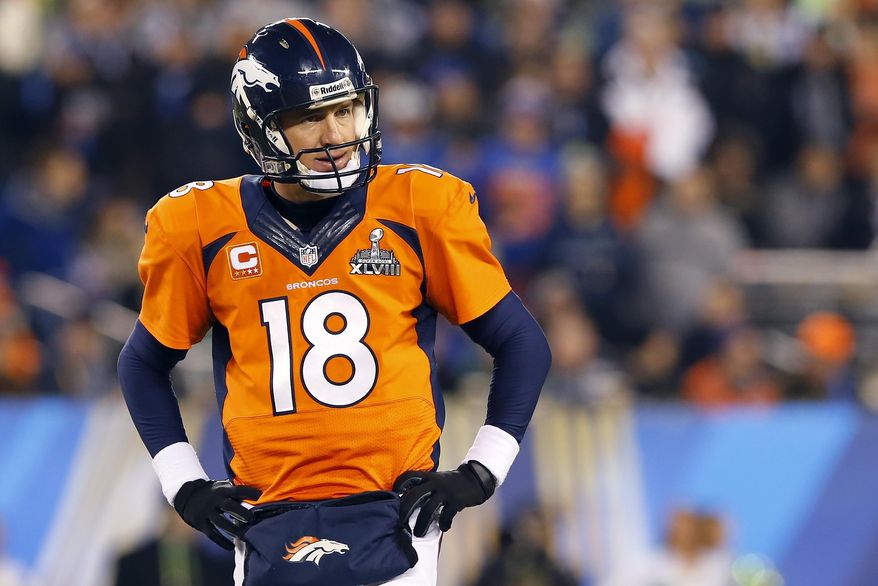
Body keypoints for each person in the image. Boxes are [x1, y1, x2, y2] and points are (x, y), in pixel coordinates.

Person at [117, 18, 551, 586]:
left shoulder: (419, 205)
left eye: (344, 110)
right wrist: (184, 484)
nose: (334, 132)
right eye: (308, 117)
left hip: (394, 513)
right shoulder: (198, 225)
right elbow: (142, 361)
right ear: (261, 129)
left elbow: (522, 343)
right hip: (267, 514)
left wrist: (481, 471)